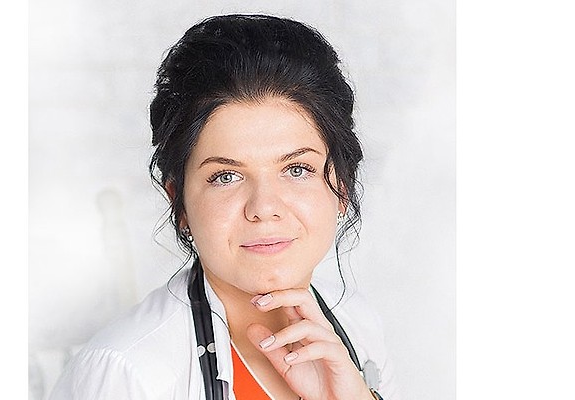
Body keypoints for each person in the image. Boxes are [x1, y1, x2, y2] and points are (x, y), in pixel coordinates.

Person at [51, 14, 400, 400]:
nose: (264, 208)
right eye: (226, 176)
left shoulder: (358, 327)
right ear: (179, 203)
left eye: (297, 169)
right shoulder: (127, 373)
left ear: (342, 186)